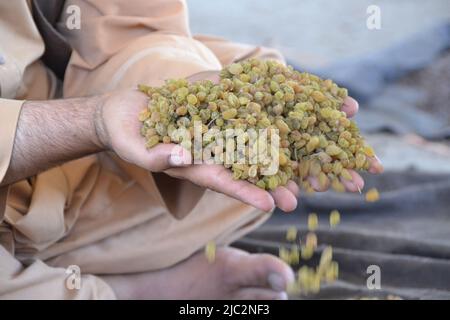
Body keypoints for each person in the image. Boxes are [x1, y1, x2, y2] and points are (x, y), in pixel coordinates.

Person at [0, 0, 382, 299]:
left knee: (249, 159)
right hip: (34, 157)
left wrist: (179, 90)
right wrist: (90, 122)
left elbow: (127, 23)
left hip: (55, 159)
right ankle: (126, 291)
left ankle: (52, 271)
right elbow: (94, 120)